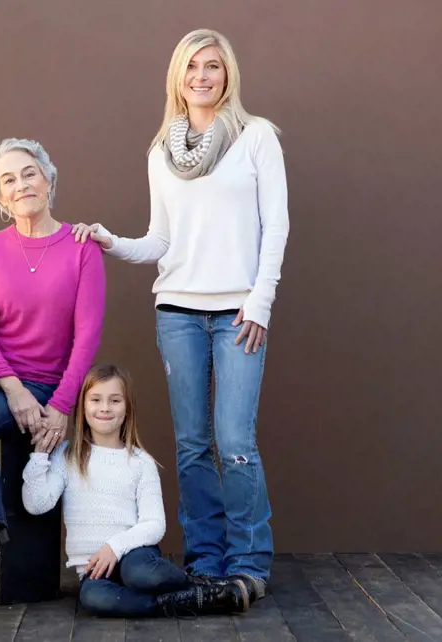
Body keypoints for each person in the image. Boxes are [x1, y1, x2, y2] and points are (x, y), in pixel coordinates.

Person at [72, 28, 289, 605]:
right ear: (177, 75)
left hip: (240, 311)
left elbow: (277, 225)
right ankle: (206, 560)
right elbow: (161, 240)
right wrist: (111, 241)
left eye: (212, 66)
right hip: (178, 311)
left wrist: (260, 299)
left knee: (235, 441)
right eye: (192, 66)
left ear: (228, 74)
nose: (202, 75)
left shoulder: (256, 137)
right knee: (193, 444)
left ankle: (248, 563)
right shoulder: (160, 152)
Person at [0, 137, 106, 609]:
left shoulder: (81, 247)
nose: (21, 184)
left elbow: (87, 337)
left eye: (29, 173)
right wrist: (13, 391)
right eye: (9, 179)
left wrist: (60, 406)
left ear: (48, 179)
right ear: (0, 196)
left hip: (46, 381)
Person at [22, 364, 252, 617]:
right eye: (95, 400)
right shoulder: (68, 456)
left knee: (141, 575)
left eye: (115, 400)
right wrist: (39, 456)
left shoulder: (141, 462)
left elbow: (154, 524)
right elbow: (37, 503)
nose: (105, 408)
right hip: (94, 569)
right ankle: (188, 600)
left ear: (127, 408)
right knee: (93, 598)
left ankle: (196, 585)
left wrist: (114, 547)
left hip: (134, 554)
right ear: (82, 407)